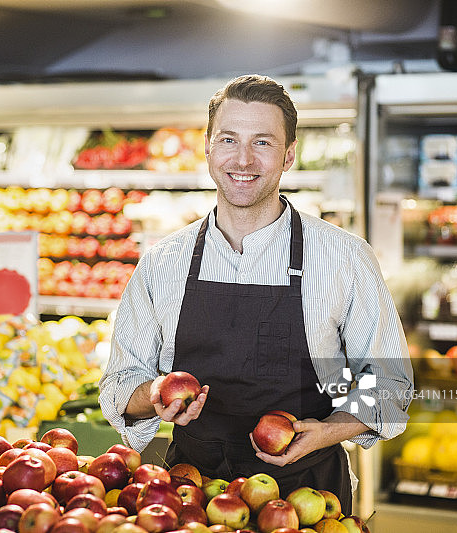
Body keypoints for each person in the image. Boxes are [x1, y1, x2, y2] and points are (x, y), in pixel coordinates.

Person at [98, 74, 414, 514]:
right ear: (208, 148)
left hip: (307, 499)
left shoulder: (344, 257)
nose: (243, 159)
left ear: (288, 156)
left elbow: (388, 383)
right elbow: (120, 382)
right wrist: (152, 396)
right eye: (228, 139)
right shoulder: (163, 262)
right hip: (192, 497)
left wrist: (327, 431)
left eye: (262, 143)